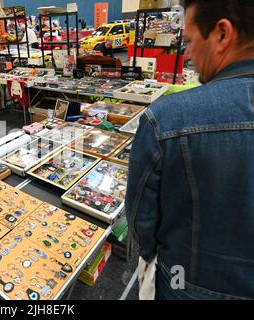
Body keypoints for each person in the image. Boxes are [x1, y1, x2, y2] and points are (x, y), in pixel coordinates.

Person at [126, 0, 254, 300]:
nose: (188, 55)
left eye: (190, 42)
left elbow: (141, 218)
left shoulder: (168, 117)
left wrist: (152, 255)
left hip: (186, 284)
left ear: (222, 34)